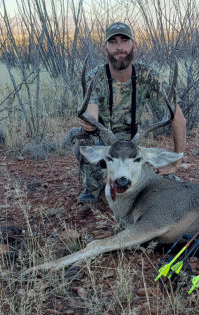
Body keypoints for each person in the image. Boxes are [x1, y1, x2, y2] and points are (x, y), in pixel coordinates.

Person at [76, 22, 187, 204]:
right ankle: (93, 187)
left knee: (168, 188)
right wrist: (90, 121)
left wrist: (175, 163)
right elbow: (91, 113)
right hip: (107, 145)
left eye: (124, 41)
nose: (119, 47)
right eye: (113, 42)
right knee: (80, 136)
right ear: (105, 48)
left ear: (134, 45)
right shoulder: (95, 77)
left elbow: (178, 119)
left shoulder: (148, 76)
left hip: (134, 148)